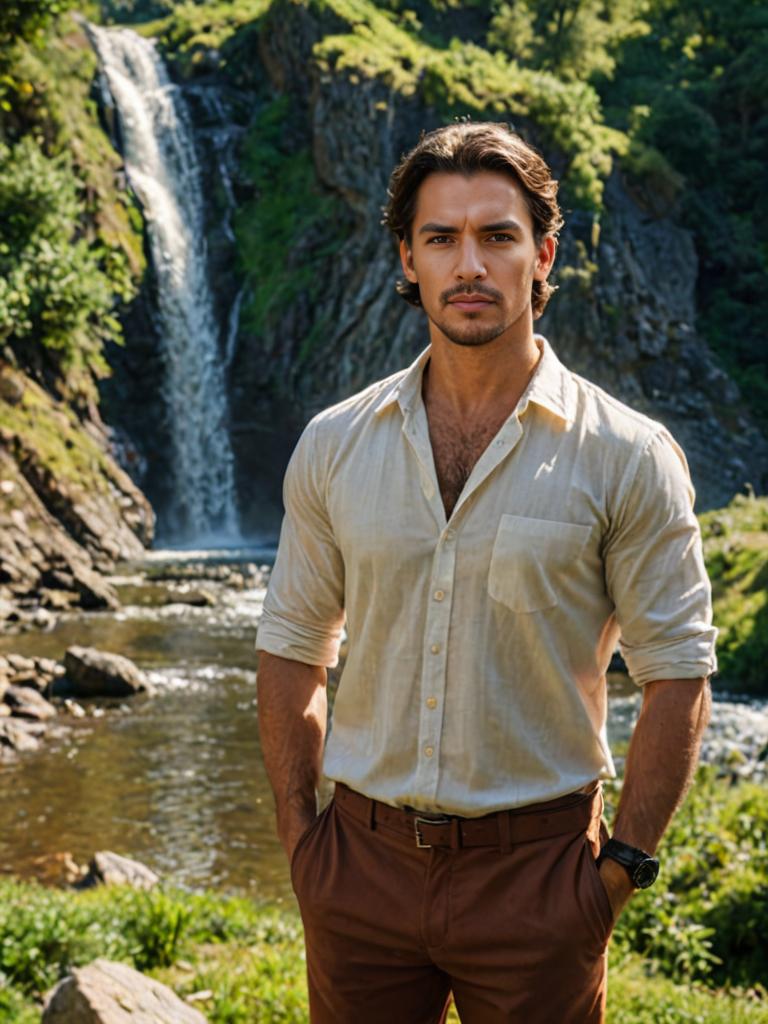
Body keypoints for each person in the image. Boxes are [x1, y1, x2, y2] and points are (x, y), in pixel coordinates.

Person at [255, 121, 716, 1024]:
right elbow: (292, 646)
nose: (470, 263)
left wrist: (616, 874)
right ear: (409, 258)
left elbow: (680, 674)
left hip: (541, 879)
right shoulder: (334, 444)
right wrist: (301, 839)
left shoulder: (628, 454)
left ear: (541, 256)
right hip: (359, 868)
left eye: (497, 236)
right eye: (442, 238)